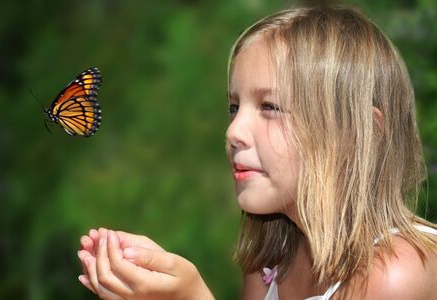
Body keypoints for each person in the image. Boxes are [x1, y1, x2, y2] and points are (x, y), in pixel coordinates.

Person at [77, 5, 437, 300]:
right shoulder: (270, 266)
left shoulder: (398, 275)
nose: (233, 132)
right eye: (234, 108)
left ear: (361, 133)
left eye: (270, 107)